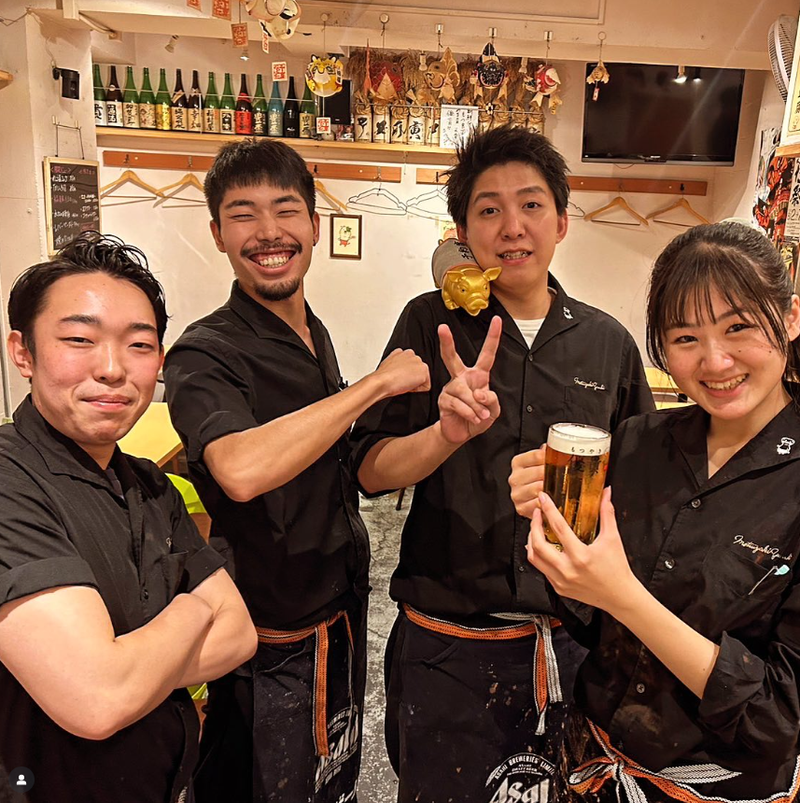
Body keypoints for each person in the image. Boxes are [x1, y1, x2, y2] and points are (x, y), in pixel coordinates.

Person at [350, 125, 655, 802]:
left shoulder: (607, 343)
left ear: (562, 222)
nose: (512, 227)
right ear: (463, 231)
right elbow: (369, 470)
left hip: (571, 643)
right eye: (489, 209)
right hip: (446, 646)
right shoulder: (428, 323)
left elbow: (644, 493)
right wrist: (444, 435)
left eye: (532, 205)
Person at [162, 138, 429, 803]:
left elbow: (347, 468)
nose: (268, 232)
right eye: (243, 214)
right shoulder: (204, 351)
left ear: (314, 225)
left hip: (338, 615)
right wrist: (373, 386)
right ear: (218, 233)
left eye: (285, 210)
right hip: (264, 639)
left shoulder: (312, 330)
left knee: (331, 781)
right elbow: (239, 468)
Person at [517, 220, 800, 802]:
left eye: (738, 327)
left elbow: (778, 717)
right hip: (592, 763)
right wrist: (560, 538)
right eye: (686, 337)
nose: (714, 361)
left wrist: (624, 596)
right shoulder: (639, 441)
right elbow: (591, 623)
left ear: (790, 317)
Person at [0, 232, 256, 803]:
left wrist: (129, 666)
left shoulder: (149, 483)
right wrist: (195, 607)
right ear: (23, 352)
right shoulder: (10, 480)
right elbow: (97, 700)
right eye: (79, 339)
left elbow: (239, 635)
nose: (113, 369)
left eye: (139, 345)